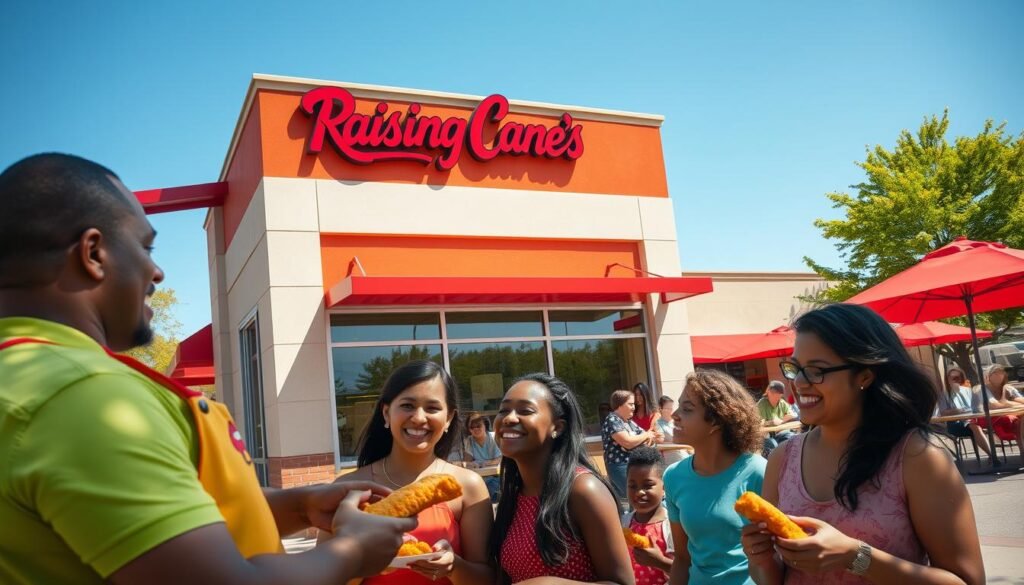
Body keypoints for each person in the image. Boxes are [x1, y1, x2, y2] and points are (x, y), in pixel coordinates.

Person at [0, 153, 415, 585]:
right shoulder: (85, 397)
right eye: (145, 247)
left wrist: (298, 506)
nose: (157, 271)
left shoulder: (26, 378)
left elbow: (165, 531)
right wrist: (351, 551)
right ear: (93, 253)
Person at [742, 303, 985, 585]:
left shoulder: (917, 458)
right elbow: (774, 578)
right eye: (795, 369)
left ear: (865, 375)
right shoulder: (782, 459)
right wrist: (761, 560)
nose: (800, 382)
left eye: (816, 370)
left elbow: (968, 581)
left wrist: (856, 557)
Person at [318, 360, 494, 585]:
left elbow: (488, 578)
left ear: (449, 418)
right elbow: (322, 578)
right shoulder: (348, 489)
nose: (419, 418)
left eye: (432, 408)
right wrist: (365, 559)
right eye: (408, 406)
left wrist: (454, 567)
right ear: (386, 413)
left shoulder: (467, 485)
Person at [490, 373, 634, 585]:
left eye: (525, 411)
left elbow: (622, 583)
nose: (509, 418)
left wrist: (546, 583)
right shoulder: (513, 494)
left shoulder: (583, 489)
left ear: (557, 427)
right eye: (504, 410)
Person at [665, 369, 766, 585]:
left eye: (687, 409)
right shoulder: (673, 477)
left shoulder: (758, 471)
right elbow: (682, 558)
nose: (674, 415)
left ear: (716, 421)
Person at [622, 446, 675, 585]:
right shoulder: (623, 523)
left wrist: (660, 562)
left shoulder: (673, 526)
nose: (639, 492)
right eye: (632, 486)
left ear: (664, 488)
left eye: (648, 485)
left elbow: (687, 571)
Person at [603, 389, 656, 501]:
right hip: (619, 465)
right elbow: (628, 443)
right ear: (620, 405)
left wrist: (645, 436)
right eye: (630, 404)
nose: (634, 407)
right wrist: (645, 436)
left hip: (632, 464)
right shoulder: (613, 420)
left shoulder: (628, 422)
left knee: (636, 498)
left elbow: (649, 438)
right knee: (634, 497)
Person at [937, 366, 992, 461]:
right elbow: (943, 413)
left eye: (958, 378)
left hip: (973, 418)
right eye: (953, 378)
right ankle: (992, 456)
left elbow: (978, 407)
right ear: (947, 379)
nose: (956, 380)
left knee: (992, 422)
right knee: (976, 427)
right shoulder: (944, 394)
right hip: (956, 423)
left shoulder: (968, 391)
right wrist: (959, 411)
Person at [973, 363, 1024, 451]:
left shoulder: (1008, 388)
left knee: (1021, 419)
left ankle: (1022, 450)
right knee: (1018, 421)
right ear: (988, 376)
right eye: (995, 373)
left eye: (1001, 373)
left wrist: (1007, 402)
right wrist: (1009, 402)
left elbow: (1022, 401)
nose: (998, 375)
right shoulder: (981, 389)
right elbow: (994, 406)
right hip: (987, 418)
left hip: (1008, 415)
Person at [463, 411, 501, 502]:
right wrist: (469, 464)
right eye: (472, 427)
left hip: (496, 476)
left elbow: (499, 459)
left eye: (478, 426)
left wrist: (482, 463)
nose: (475, 429)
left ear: (485, 425)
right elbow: (467, 461)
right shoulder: (469, 440)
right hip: (478, 477)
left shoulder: (493, 437)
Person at [757, 381, 799, 456]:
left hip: (780, 433)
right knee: (773, 445)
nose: (772, 395)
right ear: (768, 392)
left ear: (780, 395)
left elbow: (793, 414)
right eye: (771, 393)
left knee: (793, 439)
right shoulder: (762, 404)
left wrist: (782, 420)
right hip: (767, 436)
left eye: (775, 394)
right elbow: (759, 424)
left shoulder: (782, 403)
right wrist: (771, 422)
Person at [655, 396, 686, 465]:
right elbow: (660, 441)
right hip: (673, 460)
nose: (671, 410)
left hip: (685, 455)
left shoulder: (677, 421)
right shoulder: (658, 423)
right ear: (660, 409)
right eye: (668, 408)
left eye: (671, 408)